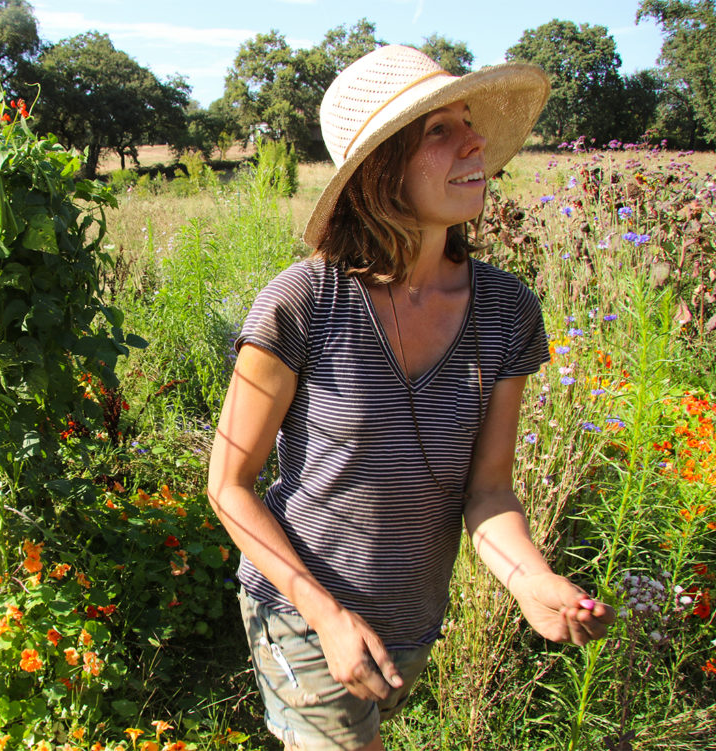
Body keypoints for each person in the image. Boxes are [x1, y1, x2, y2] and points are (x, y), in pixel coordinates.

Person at [206, 45, 616, 751]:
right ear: (377, 170)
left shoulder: (506, 310)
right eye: (438, 129)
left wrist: (531, 580)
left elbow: (488, 491)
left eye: (468, 120)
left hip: (411, 626)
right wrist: (324, 614)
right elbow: (228, 485)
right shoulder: (302, 302)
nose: (475, 140)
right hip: (298, 612)